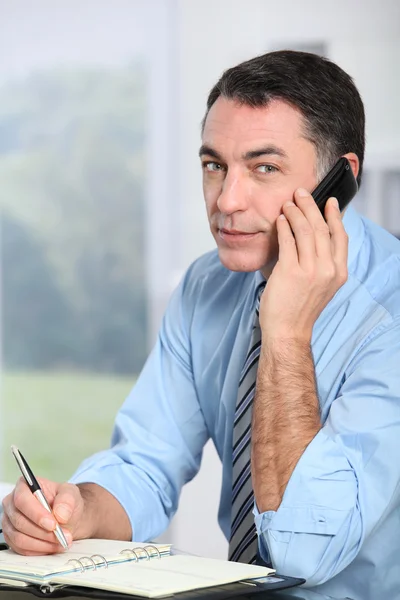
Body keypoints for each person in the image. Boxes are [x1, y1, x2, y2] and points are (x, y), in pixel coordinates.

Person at [2, 51, 400, 600]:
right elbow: (145, 464)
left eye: (264, 168)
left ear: (341, 180)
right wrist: (77, 508)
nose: (226, 201)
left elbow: (306, 555)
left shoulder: (391, 316)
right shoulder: (206, 286)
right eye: (215, 165)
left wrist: (284, 334)